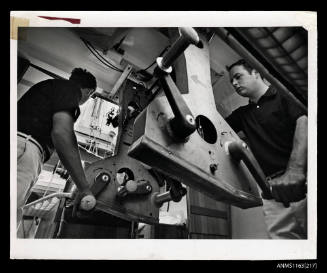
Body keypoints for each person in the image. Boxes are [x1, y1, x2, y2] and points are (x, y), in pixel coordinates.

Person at [225, 59, 308, 239]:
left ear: (256, 72)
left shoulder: (284, 95)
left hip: (305, 183)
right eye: (231, 81)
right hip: (272, 193)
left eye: (238, 77)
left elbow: (305, 120)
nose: (234, 83)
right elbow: (215, 126)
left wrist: (295, 171)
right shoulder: (242, 115)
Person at [17, 68, 97, 237]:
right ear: (89, 92)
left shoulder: (50, 88)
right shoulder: (70, 91)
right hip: (23, 149)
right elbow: (62, 134)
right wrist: (84, 187)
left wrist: (93, 160)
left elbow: (65, 141)